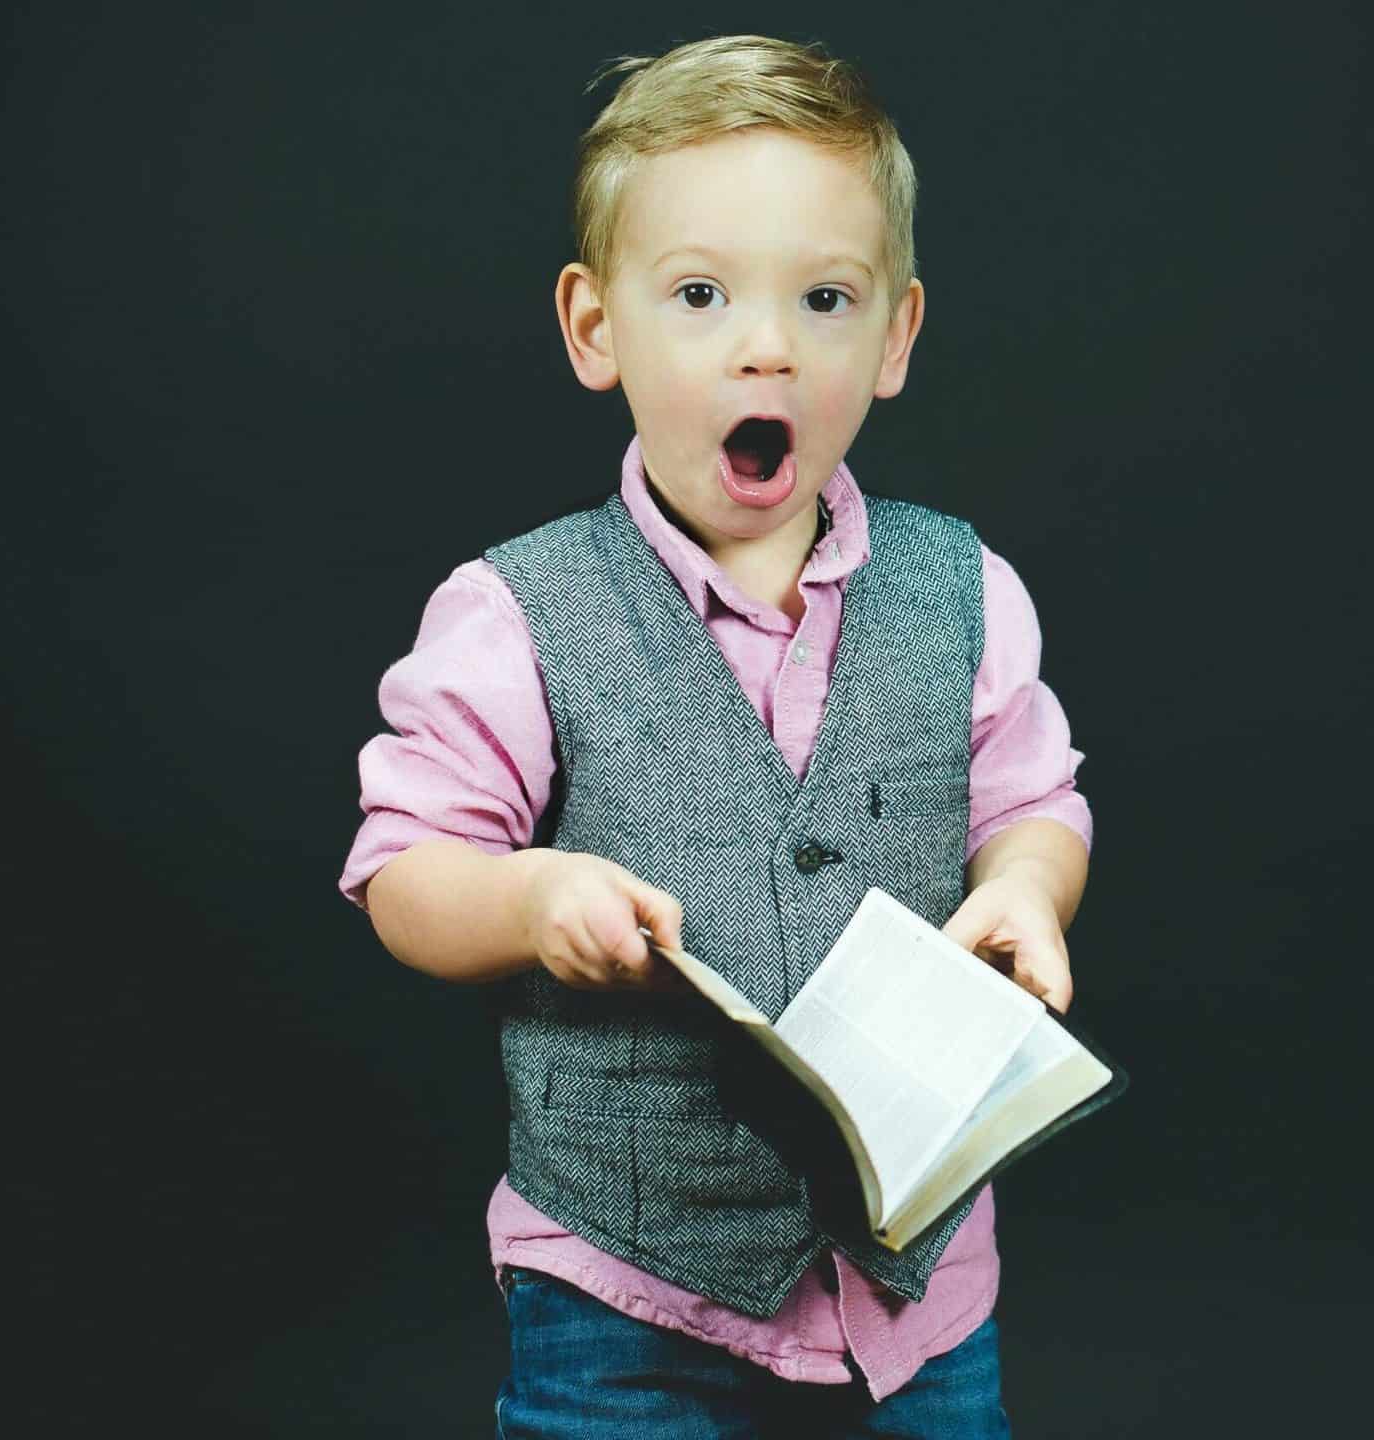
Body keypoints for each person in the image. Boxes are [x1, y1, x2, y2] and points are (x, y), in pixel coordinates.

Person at [336, 34, 1093, 1438]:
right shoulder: (516, 613)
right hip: (628, 1288)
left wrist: (1024, 890)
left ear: (897, 339)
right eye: (699, 295)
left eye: (824, 298)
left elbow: (1035, 799)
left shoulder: (964, 592)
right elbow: (403, 870)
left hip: (916, 1293)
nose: (767, 344)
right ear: (594, 328)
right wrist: (528, 893)